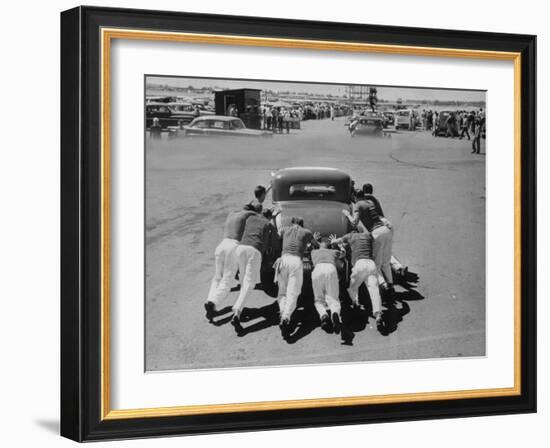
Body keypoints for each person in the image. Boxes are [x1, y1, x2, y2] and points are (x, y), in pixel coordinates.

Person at [204, 205, 259, 321]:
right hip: (232, 247)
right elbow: (259, 217)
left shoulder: (232, 213)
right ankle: (213, 302)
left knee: (217, 277)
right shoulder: (250, 215)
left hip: (221, 245)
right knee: (227, 280)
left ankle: (210, 299)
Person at [231, 209, 278, 334]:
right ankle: (237, 312)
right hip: (254, 251)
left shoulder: (251, 218)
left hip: (240, 248)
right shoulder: (268, 224)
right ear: (269, 217)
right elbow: (275, 242)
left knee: (243, 281)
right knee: (249, 283)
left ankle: (238, 308)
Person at [330, 231, 384, 332]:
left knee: (353, 288)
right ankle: (378, 315)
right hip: (371, 264)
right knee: (374, 290)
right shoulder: (368, 235)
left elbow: (337, 241)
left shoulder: (350, 235)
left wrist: (334, 240)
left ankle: (355, 302)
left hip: (359, 264)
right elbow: (377, 241)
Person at [275, 217, 320, 339]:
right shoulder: (306, 232)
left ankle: (283, 312)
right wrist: (314, 240)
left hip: (283, 260)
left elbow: (276, 237)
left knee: (282, 292)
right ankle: (286, 317)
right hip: (295, 261)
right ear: (302, 224)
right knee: (293, 292)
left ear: (292, 223)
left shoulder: (284, 229)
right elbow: (317, 246)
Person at [343, 191, 394, 292]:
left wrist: (348, 214)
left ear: (355, 197)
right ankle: (391, 284)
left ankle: (383, 285)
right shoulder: (370, 202)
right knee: (386, 262)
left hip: (376, 233)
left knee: (376, 263)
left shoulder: (358, 205)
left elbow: (354, 222)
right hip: (386, 230)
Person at [311, 239, 344, 334]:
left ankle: (324, 316)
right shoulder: (333, 251)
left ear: (319, 246)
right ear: (329, 247)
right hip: (330, 269)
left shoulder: (314, 252)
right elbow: (343, 253)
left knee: (318, 299)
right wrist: (338, 245)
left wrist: (315, 240)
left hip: (317, 270)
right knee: (333, 297)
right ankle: (335, 313)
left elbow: (309, 246)